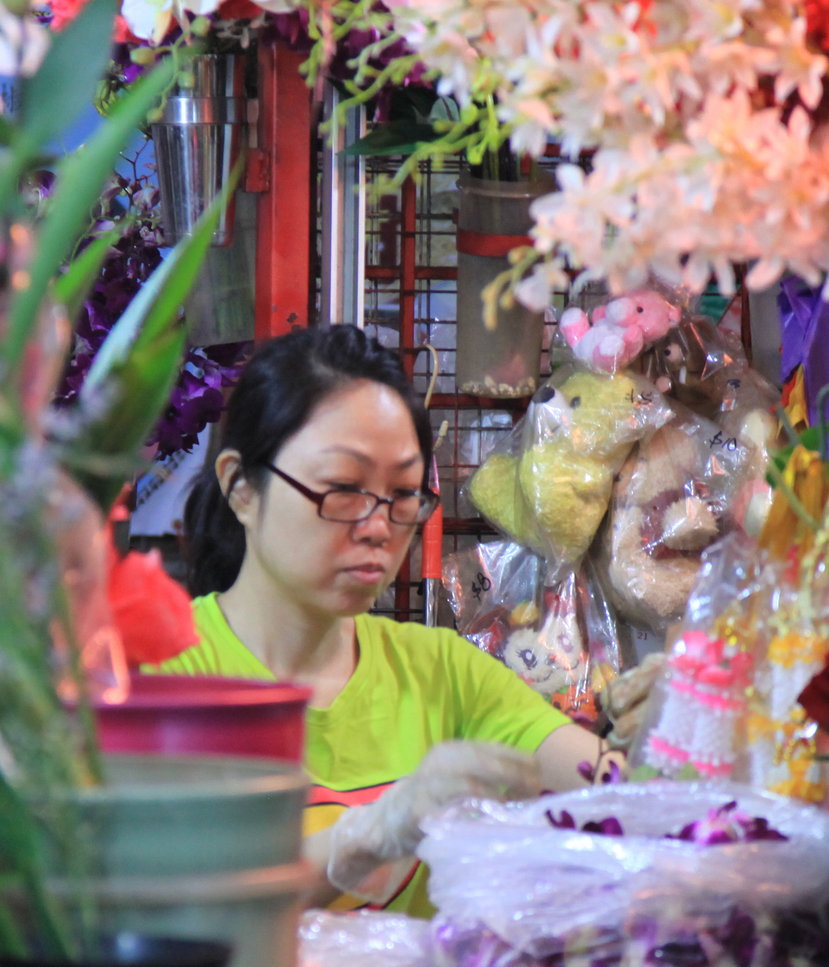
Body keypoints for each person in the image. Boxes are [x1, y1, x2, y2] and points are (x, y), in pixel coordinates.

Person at [156, 323, 605, 916]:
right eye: (343, 488)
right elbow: (174, 905)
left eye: (401, 495)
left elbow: (613, 790)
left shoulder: (444, 675)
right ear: (241, 487)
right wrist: (374, 830)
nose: (377, 526)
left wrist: (667, 731)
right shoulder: (160, 678)